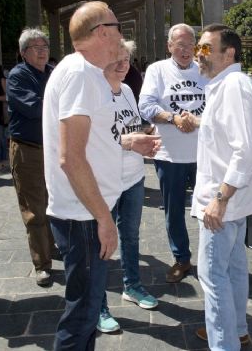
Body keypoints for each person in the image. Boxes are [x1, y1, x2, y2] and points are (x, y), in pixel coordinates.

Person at [43, 1, 159, 349]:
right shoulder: (80, 73)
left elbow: (93, 139)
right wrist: (104, 219)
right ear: (102, 32)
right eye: (118, 26)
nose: (122, 35)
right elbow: (71, 158)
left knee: (88, 310)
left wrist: (129, 142)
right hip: (83, 216)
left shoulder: (86, 73)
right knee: (83, 313)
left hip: (86, 212)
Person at [190, 24, 252, 350]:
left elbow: (244, 149)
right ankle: (236, 330)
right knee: (234, 269)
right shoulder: (228, 84)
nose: (199, 54)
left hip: (223, 202)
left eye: (206, 48)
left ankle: (224, 343)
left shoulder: (234, 86)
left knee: (213, 277)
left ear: (229, 53)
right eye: (199, 47)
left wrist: (220, 199)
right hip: (231, 203)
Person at [96, 40, 159, 334]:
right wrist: (130, 141)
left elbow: (130, 128)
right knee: (102, 243)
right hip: (104, 180)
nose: (123, 65)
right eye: (117, 59)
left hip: (133, 176)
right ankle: (98, 305)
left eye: (127, 60)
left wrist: (146, 134)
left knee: (130, 237)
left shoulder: (129, 90)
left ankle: (132, 286)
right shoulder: (94, 93)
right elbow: (92, 140)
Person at [138, 23, 208, 283]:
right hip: (170, 155)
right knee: (174, 210)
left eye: (191, 44)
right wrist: (173, 118)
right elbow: (145, 105)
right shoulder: (157, 70)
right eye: (179, 44)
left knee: (208, 208)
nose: (185, 49)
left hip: (204, 153)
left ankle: (210, 259)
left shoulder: (206, 68)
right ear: (169, 46)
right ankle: (182, 259)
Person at [6, 28, 57, 287]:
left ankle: (52, 247)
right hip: (29, 150)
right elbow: (35, 108)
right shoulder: (18, 76)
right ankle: (42, 263)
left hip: (53, 149)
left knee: (54, 202)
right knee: (34, 208)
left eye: (45, 46)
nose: (42, 50)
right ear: (24, 53)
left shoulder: (52, 72)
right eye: (35, 47)